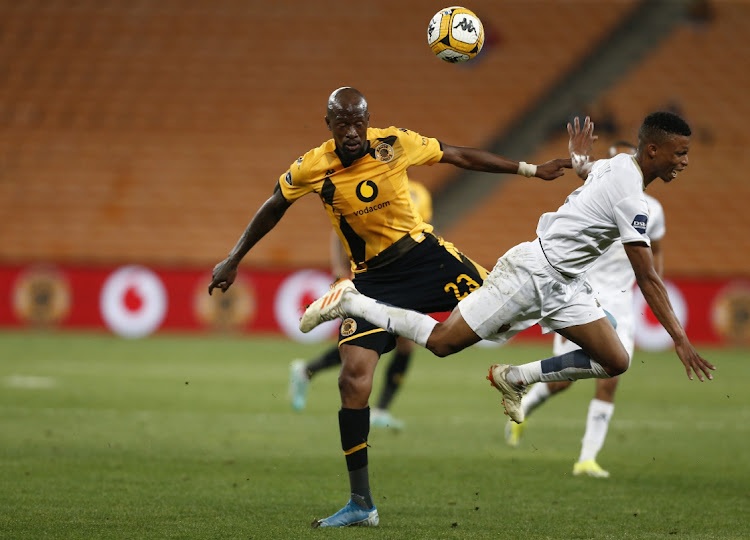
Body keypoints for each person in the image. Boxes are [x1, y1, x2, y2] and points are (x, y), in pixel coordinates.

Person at [208, 86, 570, 528]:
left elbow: (458, 155)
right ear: (330, 125)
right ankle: (361, 503)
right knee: (352, 381)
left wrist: (531, 170)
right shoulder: (313, 167)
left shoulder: (392, 143)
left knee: (500, 319)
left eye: (359, 121)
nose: (353, 131)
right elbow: (273, 205)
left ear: (368, 119)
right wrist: (234, 257)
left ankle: (551, 347)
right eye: (343, 123)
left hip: (428, 259)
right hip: (373, 281)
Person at [300, 112, 715, 435]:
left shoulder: (621, 165)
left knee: (614, 359)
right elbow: (648, 277)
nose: (685, 161)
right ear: (655, 151)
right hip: (532, 272)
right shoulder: (634, 200)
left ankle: (516, 377)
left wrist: (580, 159)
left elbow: (591, 175)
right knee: (444, 343)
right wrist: (680, 339)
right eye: (680, 153)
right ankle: (354, 301)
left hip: (565, 284)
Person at [505, 140, 666, 479]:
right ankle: (524, 407)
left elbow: (657, 251)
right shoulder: (598, 195)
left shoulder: (652, 209)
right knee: (564, 382)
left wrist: (654, 286)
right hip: (586, 295)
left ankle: (587, 458)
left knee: (611, 376)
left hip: (621, 302)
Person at [289, 182, 434, 431]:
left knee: (402, 344)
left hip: (400, 282)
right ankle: (307, 371)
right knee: (364, 342)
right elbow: (340, 231)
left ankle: (377, 409)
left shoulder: (419, 194)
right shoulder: (380, 193)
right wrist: (338, 268)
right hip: (372, 278)